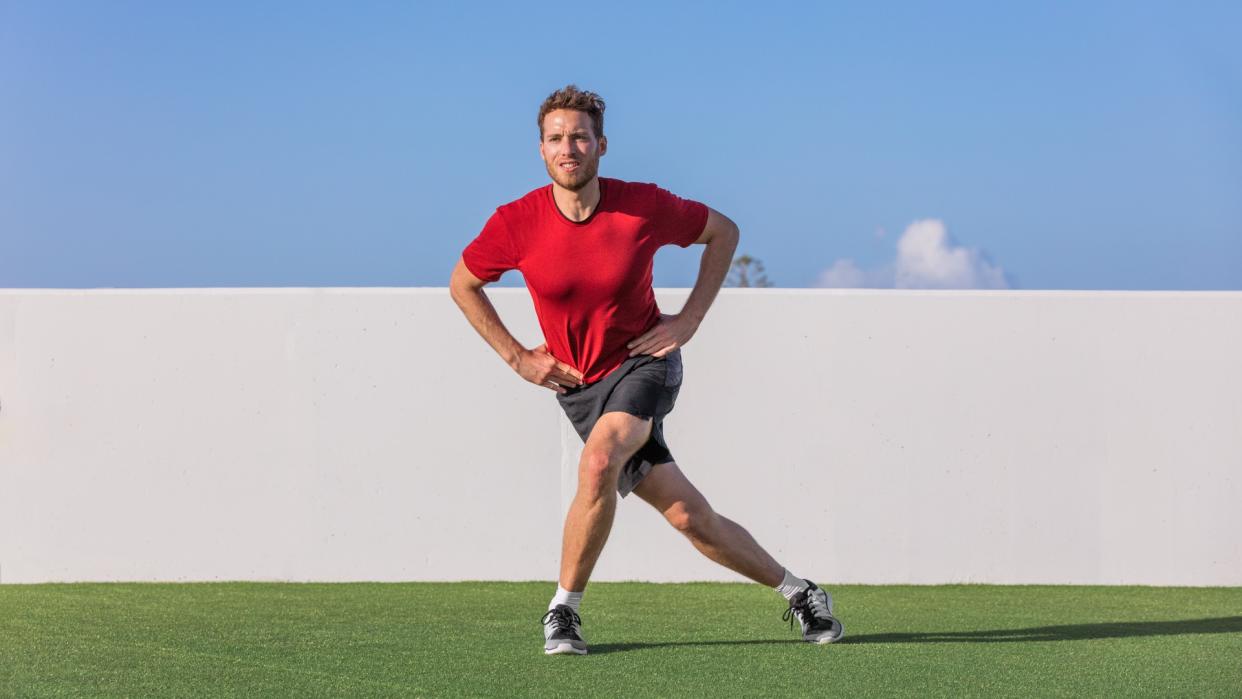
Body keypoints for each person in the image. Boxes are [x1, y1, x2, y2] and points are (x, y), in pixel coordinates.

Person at [449, 85, 844, 654]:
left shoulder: (642, 205)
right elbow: (463, 283)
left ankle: (563, 612)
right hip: (580, 387)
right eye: (556, 139)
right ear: (541, 150)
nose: (569, 148)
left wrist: (689, 320)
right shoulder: (516, 222)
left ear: (601, 145)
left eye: (580, 137)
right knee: (689, 516)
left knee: (599, 462)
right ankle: (800, 592)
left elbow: (722, 232)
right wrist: (518, 357)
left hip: (644, 363)